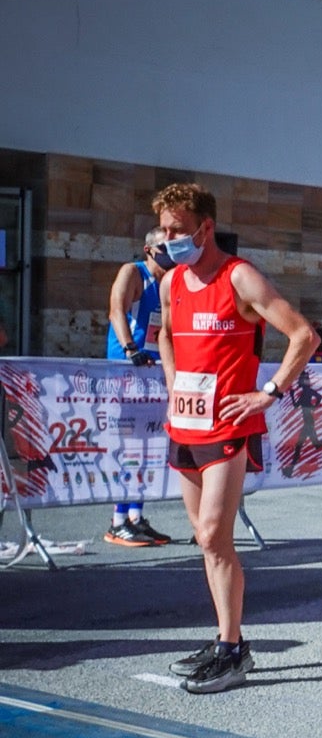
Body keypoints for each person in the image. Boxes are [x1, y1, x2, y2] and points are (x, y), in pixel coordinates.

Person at [154, 182, 319, 693]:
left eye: (177, 229)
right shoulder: (172, 282)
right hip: (186, 424)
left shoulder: (239, 277)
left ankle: (232, 648)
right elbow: (164, 332)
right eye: (163, 229)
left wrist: (267, 392)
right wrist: (172, 381)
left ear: (205, 227)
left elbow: (304, 336)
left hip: (229, 426)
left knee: (211, 534)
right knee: (208, 542)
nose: (168, 238)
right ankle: (227, 641)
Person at [103, 228, 175, 547]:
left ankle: (135, 517)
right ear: (149, 249)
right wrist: (130, 348)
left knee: (148, 448)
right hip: (128, 370)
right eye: (166, 247)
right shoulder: (134, 272)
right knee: (129, 447)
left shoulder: (170, 283)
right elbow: (116, 310)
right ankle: (117, 521)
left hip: (154, 373)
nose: (172, 252)